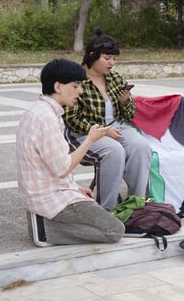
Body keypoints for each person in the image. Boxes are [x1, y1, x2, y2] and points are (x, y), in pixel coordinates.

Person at [16, 59, 125, 245]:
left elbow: (51, 165)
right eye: (75, 86)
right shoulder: (46, 118)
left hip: (49, 193)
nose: (80, 92)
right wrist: (90, 139)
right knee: (114, 230)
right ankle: (46, 230)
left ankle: (47, 223)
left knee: (102, 215)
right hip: (51, 199)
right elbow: (62, 167)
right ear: (58, 86)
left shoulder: (41, 111)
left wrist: (76, 189)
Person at [63, 29, 152, 210]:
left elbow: (130, 115)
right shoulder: (76, 79)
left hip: (116, 128)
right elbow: (71, 119)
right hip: (84, 133)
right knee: (114, 151)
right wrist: (102, 131)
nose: (112, 63)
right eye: (107, 58)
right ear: (92, 55)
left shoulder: (115, 78)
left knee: (141, 147)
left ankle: (136, 204)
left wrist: (125, 102)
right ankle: (107, 210)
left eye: (114, 58)